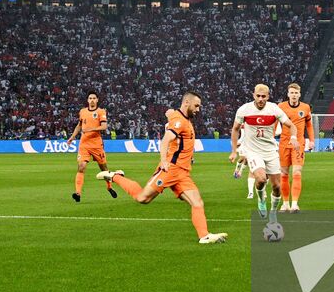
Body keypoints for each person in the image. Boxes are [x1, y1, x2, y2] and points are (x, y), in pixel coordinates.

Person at [97, 91, 227, 245]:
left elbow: (171, 115)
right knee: (142, 198)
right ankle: (115, 176)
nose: (198, 109)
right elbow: (166, 140)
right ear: (186, 103)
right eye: (196, 105)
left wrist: (170, 115)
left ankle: (204, 236)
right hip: (170, 170)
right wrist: (164, 160)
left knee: (197, 202)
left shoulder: (180, 118)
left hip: (183, 173)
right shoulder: (179, 121)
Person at [230, 84, 298, 219]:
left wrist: (294, 138)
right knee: (261, 179)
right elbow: (235, 129)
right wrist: (234, 151)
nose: (261, 99)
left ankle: (273, 211)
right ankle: (261, 200)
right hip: (253, 151)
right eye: (258, 96)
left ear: (268, 96)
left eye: (263, 96)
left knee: (277, 187)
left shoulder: (274, 109)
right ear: (253, 95)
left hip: (271, 151)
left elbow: (291, 125)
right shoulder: (244, 110)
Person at [65, 92, 116, 203]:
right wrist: (72, 137)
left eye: (94, 98)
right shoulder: (82, 112)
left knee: (104, 169)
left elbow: (104, 126)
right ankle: (78, 193)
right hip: (84, 144)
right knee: (81, 167)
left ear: (97, 100)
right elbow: (79, 125)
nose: (92, 100)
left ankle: (109, 187)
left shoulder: (101, 112)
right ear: (87, 100)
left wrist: (90, 129)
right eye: (90, 98)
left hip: (97, 144)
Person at [277, 82, 315, 213]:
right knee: (284, 174)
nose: (294, 95)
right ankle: (285, 204)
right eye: (291, 93)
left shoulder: (305, 108)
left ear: (299, 94)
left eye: (296, 93)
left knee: (297, 172)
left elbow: (309, 125)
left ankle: (295, 204)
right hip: (283, 143)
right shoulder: (280, 107)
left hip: (298, 144)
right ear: (288, 94)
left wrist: (311, 140)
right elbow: (274, 124)